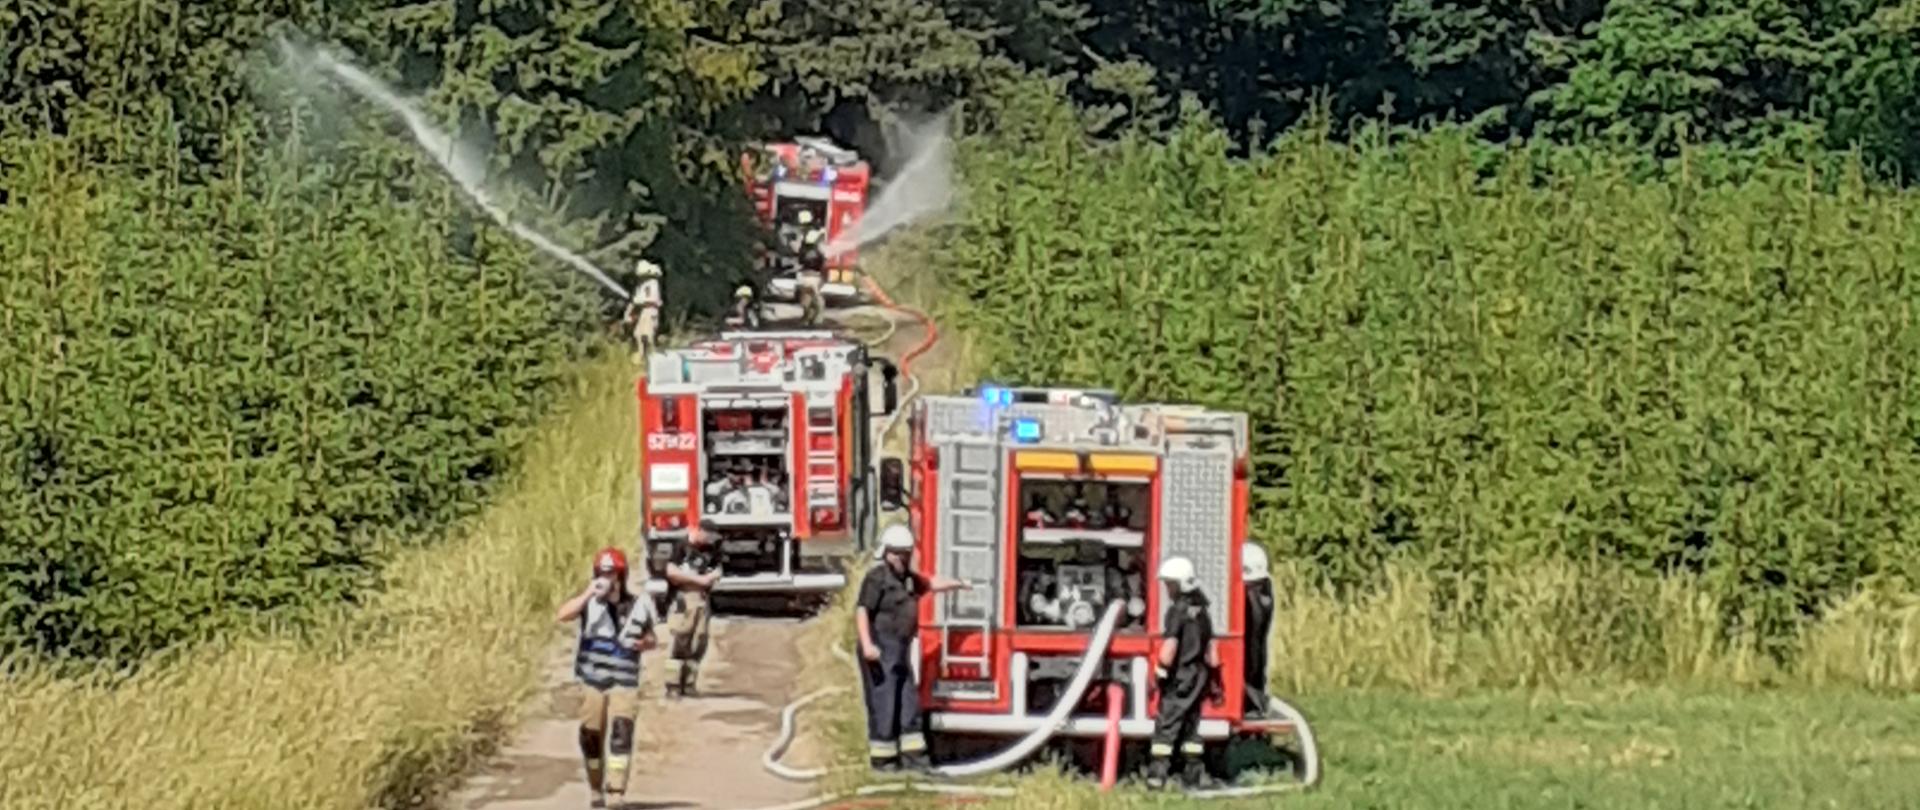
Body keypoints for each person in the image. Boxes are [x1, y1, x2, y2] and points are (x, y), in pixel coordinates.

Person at [855, 523, 971, 772]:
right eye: (897, 553)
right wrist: (867, 645)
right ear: (886, 553)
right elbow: (863, 610)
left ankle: (914, 759)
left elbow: (931, 583)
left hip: (900, 648)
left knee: (909, 702)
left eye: (906, 553)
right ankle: (884, 760)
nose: (902, 558)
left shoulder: (908, 579)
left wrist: (960, 583)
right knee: (884, 702)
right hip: (879, 648)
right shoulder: (877, 578)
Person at [555, 548, 658, 809]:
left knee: (621, 732)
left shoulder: (638, 604)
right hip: (593, 680)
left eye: (611, 573)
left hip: (624, 681)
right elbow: (562, 615)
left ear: (621, 575)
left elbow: (652, 638)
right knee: (591, 735)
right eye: (602, 572)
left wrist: (644, 643)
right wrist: (589, 593)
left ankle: (616, 791)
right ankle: (595, 788)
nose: (606, 577)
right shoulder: (589, 604)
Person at [1148, 555, 1218, 790]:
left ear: (1180, 584)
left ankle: (1157, 777)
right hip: (1200, 677)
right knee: (1192, 727)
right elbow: (1213, 653)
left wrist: (1159, 672)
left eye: (1170, 584)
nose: (1167, 589)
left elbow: (1169, 648)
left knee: (1166, 726)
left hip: (1181, 677)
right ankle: (1194, 776)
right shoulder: (1203, 611)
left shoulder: (1177, 612)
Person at [666, 518, 724, 698]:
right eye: (709, 536)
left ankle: (690, 683)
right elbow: (671, 572)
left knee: (700, 639)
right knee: (682, 638)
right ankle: (673, 685)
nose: (711, 540)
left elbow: (717, 571)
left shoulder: (712, 551)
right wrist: (699, 580)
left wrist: (711, 577)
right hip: (684, 597)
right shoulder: (682, 546)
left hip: (702, 598)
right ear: (700, 531)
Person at [1241, 542, 1274, 717]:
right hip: (1256, 675)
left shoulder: (1250, 595)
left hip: (1250, 672)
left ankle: (1252, 702)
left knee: (1253, 658)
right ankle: (1255, 701)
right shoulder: (1265, 590)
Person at [622, 260, 663, 358]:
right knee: (637, 333)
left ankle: (653, 354)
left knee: (648, 334)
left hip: (650, 310)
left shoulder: (652, 284)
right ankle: (641, 353)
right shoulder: (641, 286)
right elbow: (634, 301)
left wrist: (639, 301)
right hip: (643, 311)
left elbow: (651, 298)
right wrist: (628, 312)